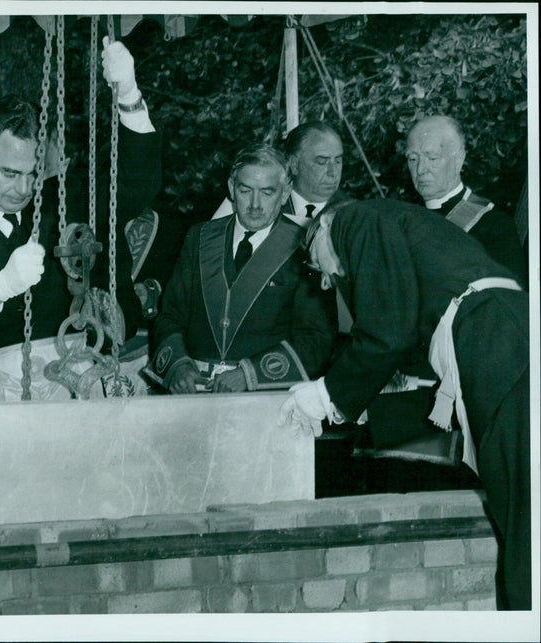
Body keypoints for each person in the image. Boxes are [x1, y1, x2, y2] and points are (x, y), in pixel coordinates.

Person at [279, 198, 530, 610]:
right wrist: (364, 411)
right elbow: (439, 399)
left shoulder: (353, 218)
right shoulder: (442, 286)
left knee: (525, 535)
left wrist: (327, 394)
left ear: (323, 226)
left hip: (502, 345)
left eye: (313, 262)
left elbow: (387, 333)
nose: (325, 280)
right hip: (505, 347)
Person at [0, 38, 161, 364]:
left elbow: (138, 184)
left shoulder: (68, 201)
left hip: (72, 389)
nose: (24, 189)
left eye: (34, 173)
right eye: (9, 173)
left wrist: (128, 94)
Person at [149, 143, 337, 394]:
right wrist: (178, 366)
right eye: (246, 190)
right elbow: (170, 315)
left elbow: (317, 338)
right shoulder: (200, 238)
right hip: (193, 393)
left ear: (285, 194)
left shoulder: (306, 248)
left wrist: (250, 375)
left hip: (265, 398)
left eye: (267, 192)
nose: (255, 204)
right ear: (231, 189)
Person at [405, 115, 527, 285]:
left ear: (458, 160)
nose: (420, 169)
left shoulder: (494, 225)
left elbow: (509, 301)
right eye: (413, 159)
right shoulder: (404, 219)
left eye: (432, 158)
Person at [211, 121, 347, 222]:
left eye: (338, 161)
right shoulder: (249, 203)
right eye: (321, 162)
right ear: (294, 164)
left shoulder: (355, 213)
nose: (332, 172)